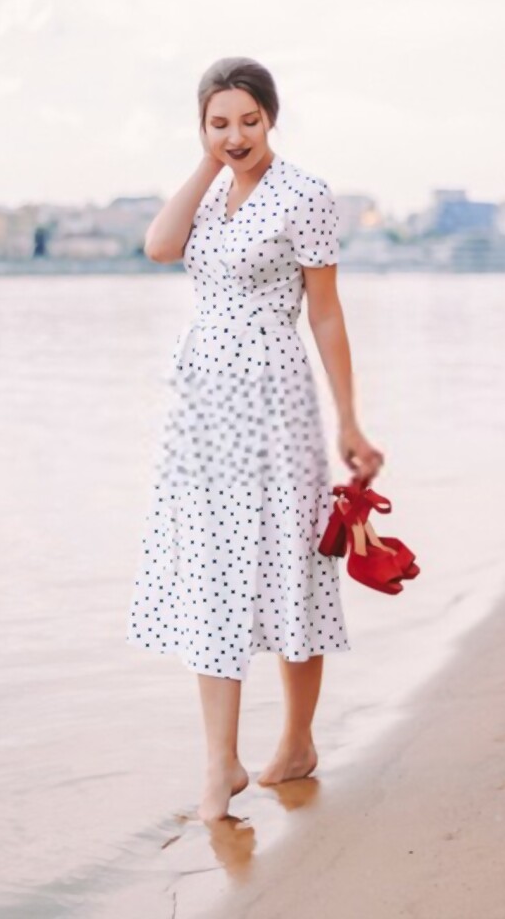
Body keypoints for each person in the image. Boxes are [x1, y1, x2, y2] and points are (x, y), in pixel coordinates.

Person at [125, 57, 384, 823]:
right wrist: (206, 164)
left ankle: (297, 741)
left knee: (287, 566)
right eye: (219, 122)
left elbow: (327, 314)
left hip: (275, 400)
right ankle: (219, 766)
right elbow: (159, 248)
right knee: (211, 572)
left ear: (272, 118)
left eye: (248, 120)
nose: (236, 135)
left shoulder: (305, 195)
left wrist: (350, 421)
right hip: (205, 404)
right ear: (202, 127)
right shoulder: (207, 193)